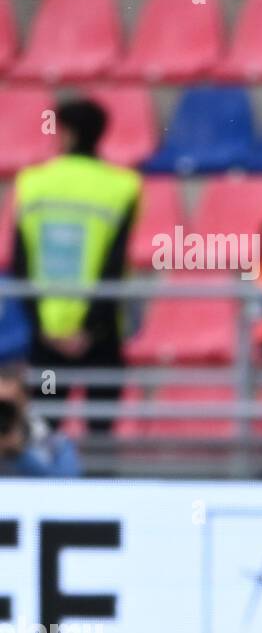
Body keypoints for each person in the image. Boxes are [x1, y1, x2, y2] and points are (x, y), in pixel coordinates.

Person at [13, 98, 140, 435]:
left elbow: (20, 260)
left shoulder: (32, 182)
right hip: (99, 332)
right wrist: (89, 328)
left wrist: (39, 323)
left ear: (66, 133)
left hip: (47, 330)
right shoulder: (122, 186)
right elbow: (113, 263)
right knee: (100, 425)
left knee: (44, 426)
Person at [0, 366, 81, 478]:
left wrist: (20, 454)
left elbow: (68, 482)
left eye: (7, 404)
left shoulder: (52, 439)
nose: (3, 411)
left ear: (24, 399)